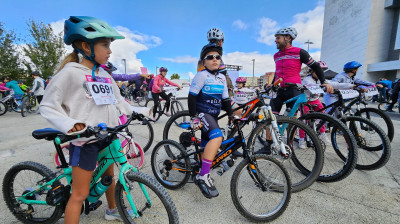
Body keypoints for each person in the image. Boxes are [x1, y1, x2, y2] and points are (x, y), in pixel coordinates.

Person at [39, 16, 136, 223]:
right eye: (105, 45)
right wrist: (69, 124)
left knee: (109, 178)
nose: (110, 51)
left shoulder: (104, 74)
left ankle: (112, 209)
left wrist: (138, 111)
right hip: (85, 141)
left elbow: (119, 102)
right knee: (79, 195)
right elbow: (47, 105)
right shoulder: (70, 73)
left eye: (109, 45)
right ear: (86, 46)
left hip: (106, 135)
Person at [256, 27, 333, 154]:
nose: (275, 40)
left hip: (294, 90)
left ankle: (289, 145)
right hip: (279, 90)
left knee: (291, 120)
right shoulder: (276, 56)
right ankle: (268, 146)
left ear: (288, 38)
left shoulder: (300, 52)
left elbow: (316, 67)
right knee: (271, 118)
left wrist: (324, 81)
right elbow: (278, 73)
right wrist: (271, 84)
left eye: (278, 38)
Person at [188, 43, 233, 198]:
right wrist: (193, 117)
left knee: (207, 145)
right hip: (202, 114)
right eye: (210, 57)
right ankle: (203, 175)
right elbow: (191, 97)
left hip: (213, 115)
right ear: (204, 62)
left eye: (217, 57)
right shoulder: (201, 75)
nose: (215, 59)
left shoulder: (222, 78)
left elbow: (226, 100)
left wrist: (232, 115)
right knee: (217, 137)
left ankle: (199, 169)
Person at [298, 61, 354, 148]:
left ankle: (323, 134)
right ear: (312, 71)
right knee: (304, 120)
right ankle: (301, 140)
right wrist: (324, 86)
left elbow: (335, 84)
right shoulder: (306, 79)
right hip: (305, 101)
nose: (321, 73)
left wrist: (351, 86)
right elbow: (310, 85)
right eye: (318, 70)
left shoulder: (322, 79)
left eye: (322, 71)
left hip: (315, 100)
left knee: (323, 116)